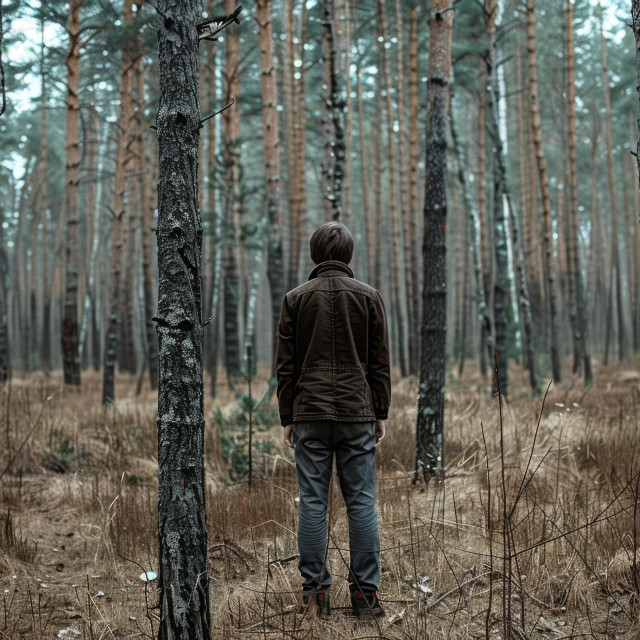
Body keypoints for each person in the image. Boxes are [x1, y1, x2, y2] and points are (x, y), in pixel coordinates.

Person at [275, 221, 391, 618]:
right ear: (348, 255)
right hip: (357, 413)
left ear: (314, 253)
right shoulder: (369, 297)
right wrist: (380, 413)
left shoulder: (295, 299)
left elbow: (285, 367)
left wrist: (287, 416)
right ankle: (364, 597)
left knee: (312, 501)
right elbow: (379, 363)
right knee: (361, 501)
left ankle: (315, 598)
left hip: (308, 413)